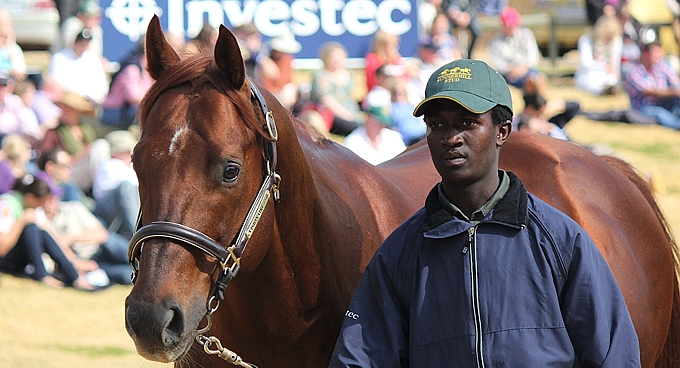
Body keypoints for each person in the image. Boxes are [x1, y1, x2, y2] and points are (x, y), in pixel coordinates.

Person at [329, 59, 641, 367]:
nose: (450, 138)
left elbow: (614, 355)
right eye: (437, 125)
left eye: (467, 123)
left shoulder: (560, 240)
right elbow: (359, 359)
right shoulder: (398, 254)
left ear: (502, 131)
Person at [0, 175, 96, 290]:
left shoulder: (32, 208)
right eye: (41, 203)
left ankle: (73, 276)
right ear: (31, 198)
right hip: (5, 262)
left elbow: (52, 236)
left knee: (41, 231)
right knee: (30, 228)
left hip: (17, 260)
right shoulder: (6, 206)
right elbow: (2, 249)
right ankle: (42, 275)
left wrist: (75, 262)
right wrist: (21, 221)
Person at [43, 193, 132, 285]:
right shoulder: (43, 223)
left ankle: (142, 259)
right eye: (48, 199)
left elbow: (102, 234)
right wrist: (78, 264)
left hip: (102, 246)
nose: (52, 201)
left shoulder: (73, 208)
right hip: (91, 261)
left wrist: (72, 238)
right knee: (127, 275)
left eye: (54, 196)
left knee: (112, 242)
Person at [40, 91, 110, 193]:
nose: (64, 110)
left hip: (86, 171)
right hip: (66, 172)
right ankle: (102, 191)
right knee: (99, 146)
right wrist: (81, 155)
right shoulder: (53, 133)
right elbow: (45, 162)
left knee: (101, 145)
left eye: (69, 108)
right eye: (63, 107)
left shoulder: (85, 129)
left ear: (78, 111)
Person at [487, 7, 547, 95]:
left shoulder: (526, 34)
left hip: (527, 70)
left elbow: (532, 56)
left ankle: (538, 99)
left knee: (536, 78)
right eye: (508, 25)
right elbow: (497, 64)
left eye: (513, 25)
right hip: (507, 75)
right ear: (502, 25)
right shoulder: (496, 41)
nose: (511, 28)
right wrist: (511, 70)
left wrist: (522, 68)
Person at [92, 130, 139, 240]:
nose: (130, 155)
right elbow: (127, 188)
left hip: (121, 209)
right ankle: (138, 232)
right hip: (105, 208)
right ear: (115, 152)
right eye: (126, 151)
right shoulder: (109, 165)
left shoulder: (128, 168)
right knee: (126, 187)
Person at [622, 41, 680, 130]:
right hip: (643, 107)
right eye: (656, 53)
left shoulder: (660, 65)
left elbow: (675, 80)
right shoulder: (633, 70)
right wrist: (674, 91)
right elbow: (648, 91)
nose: (659, 56)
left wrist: (676, 90)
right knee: (659, 113)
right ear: (645, 53)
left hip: (663, 101)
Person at [309, 42, 361, 136]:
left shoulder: (350, 74)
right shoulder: (321, 76)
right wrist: (346, 115)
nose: (336, 60)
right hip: (332, 115)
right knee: (357, 128)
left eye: (339, 57)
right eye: (333, 57)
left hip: (352, 112)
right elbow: (327, 100)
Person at [49, 28, 109, 105]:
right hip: (67, 102)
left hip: (91, 102)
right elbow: (57, 83)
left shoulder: (93, 59)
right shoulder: (59, 58)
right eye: (81, 43)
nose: (83, 47)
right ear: (75, 42)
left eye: (86, 44)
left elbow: (102, 85)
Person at [101, 42, 153, 128]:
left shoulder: (145, 71)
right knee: (143, 111)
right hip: (112, 112)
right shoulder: (131, 69)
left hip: (125, 111)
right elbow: (133, 98)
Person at [575, 15, 624, 95]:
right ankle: (604, 91)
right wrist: (604, 66)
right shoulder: (586, 39)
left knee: (612, 79)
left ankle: (610, 89)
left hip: (607, 75)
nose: (608, 38)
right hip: (589, 74)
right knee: (592, 81)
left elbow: (615, 66)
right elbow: (586, 63)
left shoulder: (616, 41)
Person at [259, 32, 301, 109]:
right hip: (270, 98)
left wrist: (291, 89)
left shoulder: (288, 60)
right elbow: (264, 88)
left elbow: (291, 81)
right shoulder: (265, 63)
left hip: (287, 98)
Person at [0, 10, 27, 81]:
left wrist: (10, 48)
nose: (9, 27)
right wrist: (7, 73)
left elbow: (21, 69)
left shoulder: (14, 48)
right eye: (6, 24)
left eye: (10, 23)